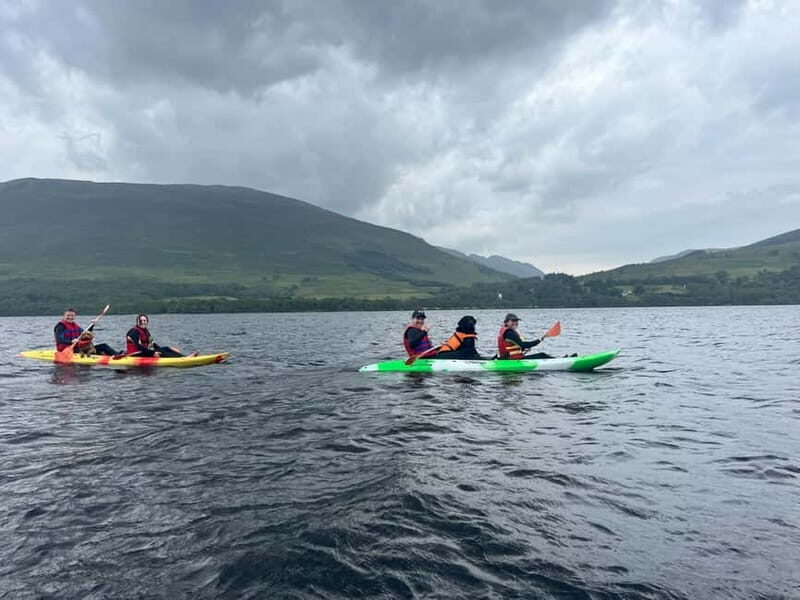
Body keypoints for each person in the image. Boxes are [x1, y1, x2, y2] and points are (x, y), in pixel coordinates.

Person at [54, 307, 120, 356]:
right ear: (64, 316)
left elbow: (85, 333)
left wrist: (92, 325)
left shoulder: (75, 325)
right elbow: (59, 339)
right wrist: (71, 341)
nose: (70, 317)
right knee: (89, 350)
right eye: (68, 315)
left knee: (104, 346)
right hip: (66, 349)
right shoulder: (60, 326)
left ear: (75, 316)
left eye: (72, 316)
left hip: (78, 347)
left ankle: (117, 354)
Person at [125, 314, 197, 357]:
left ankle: (184, 356)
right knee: (161, 352)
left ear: (147, 321)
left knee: (165, 348)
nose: (143, 322)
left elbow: (152, 344)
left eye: (145, 321)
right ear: (137, 322)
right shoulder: (133, 332)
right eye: (141, 321)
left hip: (144, 352)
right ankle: (183, 358)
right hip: (135, 354)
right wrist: (153, 353)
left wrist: (164, 349)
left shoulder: (146, 331)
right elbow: (139, 347)